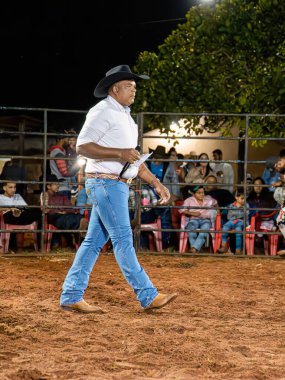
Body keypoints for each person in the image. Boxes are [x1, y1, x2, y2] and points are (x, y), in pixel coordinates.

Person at [59, 64, 177, 313]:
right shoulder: (102, 111)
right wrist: (118, 152)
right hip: (106, 183)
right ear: (115, 89)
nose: (134, 90)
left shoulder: (124, 116)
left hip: (114, 184)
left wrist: (155, 182)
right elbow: (82, 146)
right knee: (123, 238)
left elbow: (131, 159)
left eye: (135, 86)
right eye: (130, 86)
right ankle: (147, 294)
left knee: (93, 242)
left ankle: (71, 294)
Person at [41, 175, 88, 249]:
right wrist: (58, 211)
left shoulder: (62, 196)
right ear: (48, 186)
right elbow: (45, 209)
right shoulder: (45, 195)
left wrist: (71, 210)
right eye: (55, 184)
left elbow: (69, 207)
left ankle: (80, 231)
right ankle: (80, 234)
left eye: (58, 184)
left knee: (77, 216)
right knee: (73, 219)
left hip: (65, 215)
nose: (58, 186)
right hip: (54, 217)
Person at [0, 180, 42, 252]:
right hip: (8, 216)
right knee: (15, 213)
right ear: (4, 188)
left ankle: (19, 213)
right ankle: (17, 213)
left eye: (14, 187)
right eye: (10, 187)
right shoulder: (0, 197)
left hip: (22, 215)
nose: (13, 189)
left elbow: (25, 207)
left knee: (38, 211)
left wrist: (20, 210)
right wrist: (10, 208)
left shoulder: (17, 196)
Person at [179, 185, 218, 253]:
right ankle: (196, 248)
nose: (202, 194)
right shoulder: (189, 200)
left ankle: (194, 248)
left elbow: (216, 204)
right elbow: (181, 210)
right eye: (199, 193)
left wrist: (217, 211)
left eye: (203, 192)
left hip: (206, 220)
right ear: (194, 194)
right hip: (194, 220)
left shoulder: (209, 198)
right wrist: (193, 213)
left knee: (204, 230)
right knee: (191, 228)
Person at [218, 188, 250, 255]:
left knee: (238, 232)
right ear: (236, 197)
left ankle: (238, 250)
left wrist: (236, 215)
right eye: (242, 198)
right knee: (224, 228)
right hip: (232, 221)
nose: (243, 200)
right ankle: (223, 247)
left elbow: (246, 214)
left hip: (241, 222)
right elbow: (229, 216)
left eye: (245, 198)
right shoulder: (231, 205)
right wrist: (239, 214)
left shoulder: (246, 205)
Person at [49, 133, 80, 199]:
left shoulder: (62, 152)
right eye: (67, 139)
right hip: (62, 188)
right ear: (61, 140)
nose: (69, 142)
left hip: (64, 187)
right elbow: (65, 172)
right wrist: (78, 165)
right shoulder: (58, 153)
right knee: (64, 208)